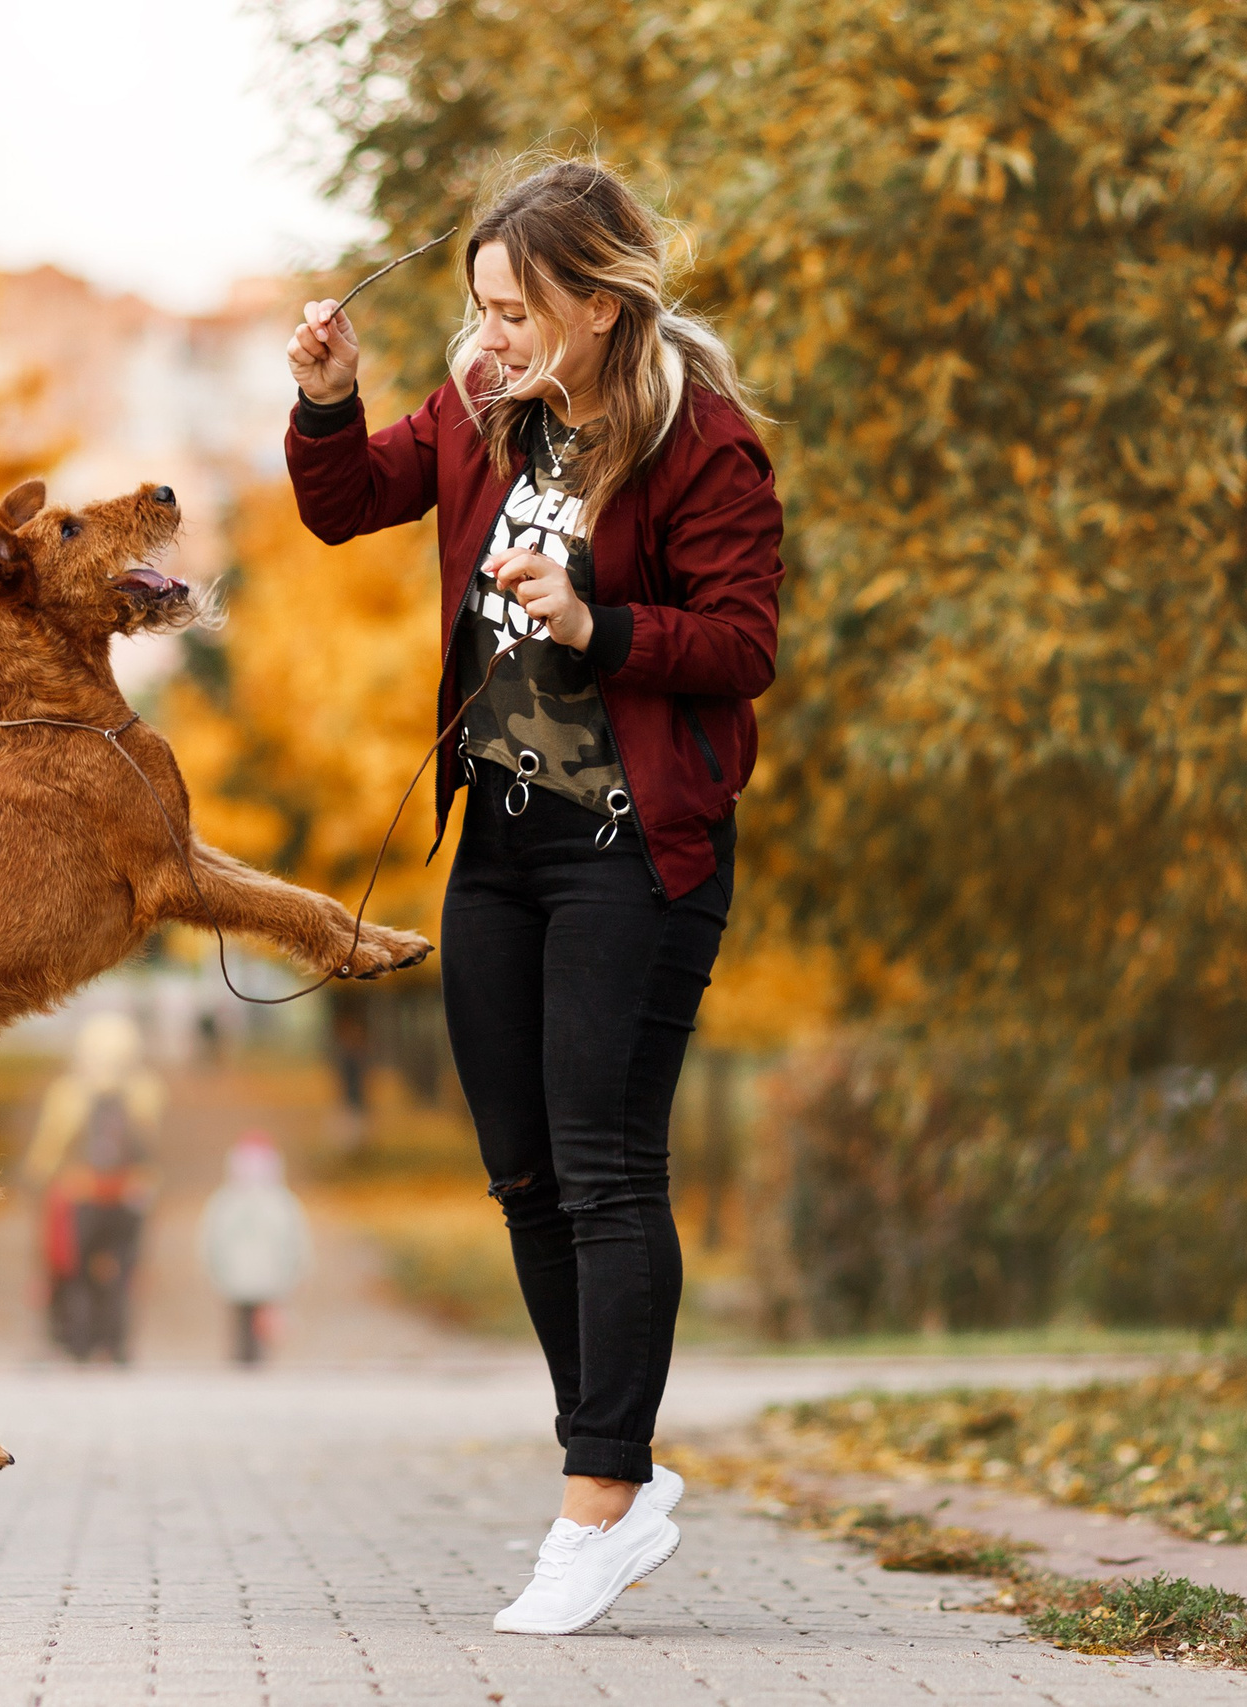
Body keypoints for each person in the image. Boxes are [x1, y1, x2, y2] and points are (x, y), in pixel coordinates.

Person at [283, 155, 781, 1636]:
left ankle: (597, 1497)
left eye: (515, 310)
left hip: (637, 845)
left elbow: (741, 644)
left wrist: (600, 622)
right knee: (523, 1177)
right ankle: (613, 1472)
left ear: (595, 301)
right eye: (479, 307)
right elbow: (345, 501)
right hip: (496, 845)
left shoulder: (703, 442)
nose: (488, 335)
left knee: (605, 1161)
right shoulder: (485, 414)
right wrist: (326, 393)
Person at [24, 1012, 163, 1363]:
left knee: (77, 1274)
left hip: (79, 1196)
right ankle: (114, 1345)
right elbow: (151, 1147)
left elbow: (49, 1149)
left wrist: (37, 1180)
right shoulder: (146, 1090)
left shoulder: (68, 1092)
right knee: (120, 1275)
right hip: (127, 1197)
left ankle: (78, 1344)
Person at [196, 1129, 312, 1364]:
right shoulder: (276, 1202)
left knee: (255, 1331)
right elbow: (213, 1240)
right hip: (251, 1280)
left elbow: (294, 1241)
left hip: (258, 1280)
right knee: (246, 1330)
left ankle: (251, 1366)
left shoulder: (232, 1202)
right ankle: (248, 1366)